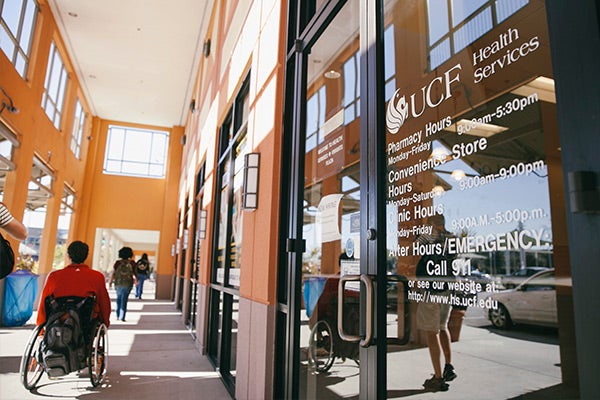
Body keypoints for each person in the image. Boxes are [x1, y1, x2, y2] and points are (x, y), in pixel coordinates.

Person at [415, 214, 457, 392]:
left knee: (432, 333)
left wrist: (423, 233)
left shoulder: (429, 237)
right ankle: (448, 367)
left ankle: (438, 378)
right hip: (447, 288)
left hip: (431, 290)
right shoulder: (452, 238)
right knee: (442, 327)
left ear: (432, 224)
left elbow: (415, 247)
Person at [36, 241, 111, 328]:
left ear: (68, 256)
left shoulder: (54, 276)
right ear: (86, 256)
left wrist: (41, 325)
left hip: (57, 320)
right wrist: (105, 322)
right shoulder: (97, 276)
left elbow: (44, 302)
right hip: (84, 322)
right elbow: (104, 303)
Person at [109, 246, 137, 321]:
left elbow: (114, 273)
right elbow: (134, 273)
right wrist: (136, 281)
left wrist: (111, 281)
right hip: (128, 283)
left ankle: (118, 315)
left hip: (118, 283)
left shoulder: (118, 263)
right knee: (124, 299)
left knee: (118, 298)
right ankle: (122, 316)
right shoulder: (132, 263)